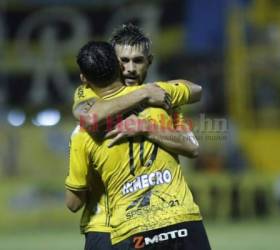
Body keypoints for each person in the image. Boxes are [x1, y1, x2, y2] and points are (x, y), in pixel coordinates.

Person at [68, 24, 204, 250]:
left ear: (149, 61)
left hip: (155, 220)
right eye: (123, 61)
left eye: (138, 61)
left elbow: (192, 145)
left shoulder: (163, 97)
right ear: (112, 61)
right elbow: (86, 116)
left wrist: (146, 126)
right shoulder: (92, 92)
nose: (130, 68)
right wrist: (144, 93)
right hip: (103, 224)